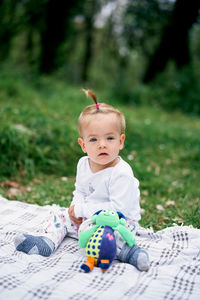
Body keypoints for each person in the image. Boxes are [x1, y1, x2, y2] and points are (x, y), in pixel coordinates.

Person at [14, 90, 150, 271]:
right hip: (88, 214)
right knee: (59, 215)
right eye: (93, 139)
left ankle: (129, 252)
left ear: (121, 141)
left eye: (110, 138)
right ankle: (47, 241)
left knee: (109, 235)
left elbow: (119, 210)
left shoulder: (121, 173)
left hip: (117, 220)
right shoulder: (83, 164)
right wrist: (74, 209)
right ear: (83, 144)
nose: (102, 144)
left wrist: (82, 210)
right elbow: (80, 190)